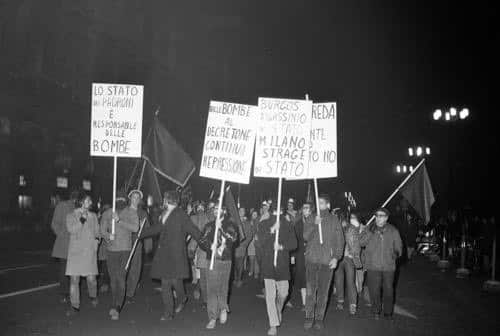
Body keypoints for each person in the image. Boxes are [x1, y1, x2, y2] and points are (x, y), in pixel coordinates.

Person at [139, 190, 202, 320]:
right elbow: (158, 228)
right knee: (166, 283)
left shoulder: (181, 214)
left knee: (175, 281)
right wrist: (142, 233)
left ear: (168, 200)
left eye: (164, 199)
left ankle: (182, 297)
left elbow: (193, 230)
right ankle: (168, 313)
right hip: (164, 255)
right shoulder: (165, 214)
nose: (163, 201)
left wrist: (207, 243)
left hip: (176, 255)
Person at [303, 194, 344, 331]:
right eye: (318, 202)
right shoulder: (311, 217)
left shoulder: (334, 220)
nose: (319, 204)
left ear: (328, 205)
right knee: (310, 291)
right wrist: (315, 224)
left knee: (323, 293)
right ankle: (309, 316)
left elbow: (340, 240)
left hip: (327, 261)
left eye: (322, 202)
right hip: (312, 260)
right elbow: (305, 236)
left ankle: (319, 318)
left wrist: (336, 257)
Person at [100, 191, 140, 320]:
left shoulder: (131, 212)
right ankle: (114, 302)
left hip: (125, 250)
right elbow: (102, 229)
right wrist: (107, 236)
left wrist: (119, 221)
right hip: (111, 250)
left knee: (121, 278)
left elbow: (135, 228)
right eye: (118, 199)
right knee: (113, 279)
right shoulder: (107, 213)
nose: (120, 201)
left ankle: (117, 306)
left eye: (122, 199)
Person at [198, 203, 239, 329]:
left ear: (224, 210)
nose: (216, 210)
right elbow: (201, 240)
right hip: (212, 260)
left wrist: (220, 228)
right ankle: (212, 317)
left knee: (223, 286)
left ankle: (222, 308)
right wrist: (209, 246)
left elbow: (233, 240)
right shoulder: (209, 225)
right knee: (211, 288)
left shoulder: (231, 225)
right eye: (214, 208)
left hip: (225, 260)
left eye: (218, 208)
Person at [258, 206, 297, 336]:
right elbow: (260, 242)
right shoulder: (264, 224)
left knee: (284, 293)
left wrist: (281, 247)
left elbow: (294, 243)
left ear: (282, 211)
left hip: (282, 265)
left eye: (279, 211)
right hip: (268, 264)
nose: (276, 214)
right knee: (270, 297)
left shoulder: (287, 225)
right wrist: (272, 230)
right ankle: (273, 325)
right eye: (274, 211)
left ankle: (278, 308)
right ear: (271, 212)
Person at [359, 207, 402, 320]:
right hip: (373, 266)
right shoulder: (369, 229)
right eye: (377, 215)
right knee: (374, 290)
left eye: (381, 216)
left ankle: (388, 312)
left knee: (388, 290)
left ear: (386, 218)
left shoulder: (393, 231)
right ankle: (376, 310)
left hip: (388, 267)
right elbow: (361, 242)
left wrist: (395, 254)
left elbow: (399, 248)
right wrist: (369, 232)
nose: (378, 218)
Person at [65, 191, 100, 315]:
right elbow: (71, 229)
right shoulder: (71, 215)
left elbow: (97, 232)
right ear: (81, 202)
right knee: (74, 280)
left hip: (89, 251)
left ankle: (93, 295)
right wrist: (82, 219)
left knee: (91, 279)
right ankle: (75, 306)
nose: (91, 202)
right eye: (88, 200)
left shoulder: (94, 216)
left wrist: (96, 242)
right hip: (75, 252)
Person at [50, 190, 78, 303]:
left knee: (71, 270)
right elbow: (54, 224)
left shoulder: (80, 209)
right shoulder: (62, 206)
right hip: (66, 243)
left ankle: (69, 293)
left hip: (76, 244)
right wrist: (62, 235)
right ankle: (65, 293)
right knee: (65, 269)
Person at [335, 211, 363, 315]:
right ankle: (340, 300)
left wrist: (353, 254)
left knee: (350, 281)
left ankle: (353, 304)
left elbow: (357, 242)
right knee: (338, 280)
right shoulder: (335, 227)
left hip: (349, 258)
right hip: (338, 258)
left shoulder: (352, 228)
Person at [126, 189, 149, 302]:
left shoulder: (143, 213)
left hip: (137, 242)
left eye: (137, 198)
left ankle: (130, 292)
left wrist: (141, 228)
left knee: (135, 268)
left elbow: (147, 230)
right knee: (124, 267)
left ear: (140, 200)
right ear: (130, 198)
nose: (135, 200)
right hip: (124, 242)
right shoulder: (124, 211)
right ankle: (122, 289)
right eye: (133, 197)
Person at [190, 201, 210, 305]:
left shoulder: (194, 218)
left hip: (200, 250)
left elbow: (195, 236)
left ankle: (205, 298)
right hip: (207, 250)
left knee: (201, 275)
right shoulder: (209, 217)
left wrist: (191, 249)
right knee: (205, 275)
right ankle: (207, 297)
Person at [293, 202, 311, 309]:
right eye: (303, 208)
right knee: (302, 278)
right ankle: (305, 303)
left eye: (307, 208)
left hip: (312, 254)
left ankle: (311, 300)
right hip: (300, 254)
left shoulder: (315, 222)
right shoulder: (298, 223)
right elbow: (295, 238)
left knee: (311, 278)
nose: (304, 210)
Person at [234, 207, 252, 288]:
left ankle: (239, 279)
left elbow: (250, 235)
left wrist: (245, 244)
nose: (241, 212)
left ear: (245, 212)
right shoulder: (234, 222)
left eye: (243, 211)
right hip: (233, 247)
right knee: (234, 264)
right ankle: (235, 279)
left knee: (240, 264)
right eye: (240, 211)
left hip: (242, 247)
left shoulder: (247, 223)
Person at [247, 209, 259, 278]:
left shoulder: (259, 222)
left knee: (257, 258)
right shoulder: (249, 222)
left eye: (256, 215)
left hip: (257, 241)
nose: (255, 216)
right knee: (251, 258)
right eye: (253, 214)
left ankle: (256, 272)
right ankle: (251, 270)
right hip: (251, 241)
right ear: (251, 215)